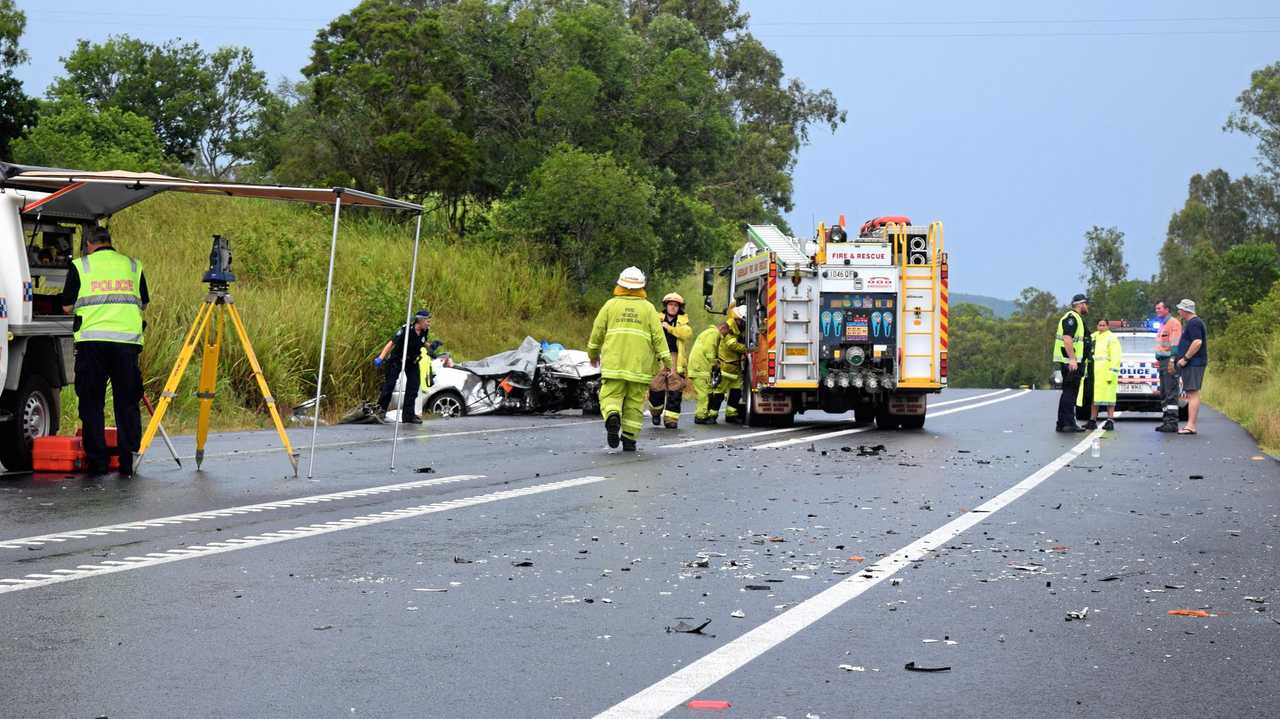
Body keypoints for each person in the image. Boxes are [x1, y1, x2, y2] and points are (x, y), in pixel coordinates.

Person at [59, 226, 148, 477]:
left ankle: (97, 462)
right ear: (110, 242)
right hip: (126, 344)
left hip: (92, 344)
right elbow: (144, 302)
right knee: (127, 402)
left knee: (92, 402)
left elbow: (66, 307)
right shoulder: (132, 265)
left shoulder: (80, 266)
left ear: (88, 244)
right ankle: (127, 462)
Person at [587, 267, 672, 451]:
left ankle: (612, 415)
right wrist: (667, 362)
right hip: (639, 367)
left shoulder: (610, 305)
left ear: (620, 284)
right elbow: (659, 337)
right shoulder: (648, 308)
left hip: (614, 364)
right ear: (642, 286)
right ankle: (629, 439)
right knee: (634, 403)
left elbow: (597, 331)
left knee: (610, 396)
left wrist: (593, 354)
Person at [375, 309, 432, 424]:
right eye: (427, 321)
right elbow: (391, 343)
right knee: (389, 385)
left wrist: (431, 347)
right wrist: (381, 357)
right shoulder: (406, 330)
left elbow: (422, 342)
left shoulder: (424, 331)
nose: (429, 323)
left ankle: (408, 416)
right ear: (420, 321)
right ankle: (380, 412)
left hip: (412, 361)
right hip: (397, 359)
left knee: (413, 387)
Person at [648, 292, 691, 429]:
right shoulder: (656, 319)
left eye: (676, 305)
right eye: (670, 305)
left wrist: (670, 328)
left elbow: (686, 334)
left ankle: (671, 420)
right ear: (666, 306)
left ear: (680, 308)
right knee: (656, 387)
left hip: (675, 358)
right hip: (659, 357)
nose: (673, 307)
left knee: (675, 389)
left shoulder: (683, 322)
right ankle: (655, 413)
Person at [1053, 294, 1089, 432]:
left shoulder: (1076, 318)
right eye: (1086, 304)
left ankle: (1062, 423)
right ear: (1081, 304)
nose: (1087, 307)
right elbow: (1067, 339)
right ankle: (1068, 423)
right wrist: (1073, 359)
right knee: (1070, 393)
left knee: (1068, 392)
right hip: (1071, 362)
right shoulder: (1071, 318)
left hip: (1071, 361)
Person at [1173, 299, 1207, 435]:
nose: (1179, 311)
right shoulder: (1192, 323)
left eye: (1180, 309)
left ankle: (1191, 425)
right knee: (1190, 392)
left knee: (1192, 393)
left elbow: (1197, 342)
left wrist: (1185, 358)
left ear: (1186, 310)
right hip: (1193, 363)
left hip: (1194, 363)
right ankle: (1190, 425)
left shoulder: (1194, 323)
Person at [1079, 319, 1121, 430]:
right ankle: (1092, 420)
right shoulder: (1094, 336)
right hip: (1094, 372)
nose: (1101, 327)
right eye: (1099, 325)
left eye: (1103, 325)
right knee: (1095, 397)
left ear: (1107, 326)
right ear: (1097, 326)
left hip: (1107, 372)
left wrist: (1112, 372)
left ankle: (1110, 420)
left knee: (1109, 398)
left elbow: (1116, 356)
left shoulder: (1112, 338)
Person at [1153, 300, 1183, 432]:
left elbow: (1175, 345)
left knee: (1171, 392)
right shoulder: (1162, 324)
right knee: (1164, 393)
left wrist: (1171, 360)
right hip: (1162, 362)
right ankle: (1166, 421)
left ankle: (1172, 422)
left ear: (1166, 309)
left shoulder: (1174, 323)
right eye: (1156, 308)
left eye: (1159, 308)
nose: (1157, 310)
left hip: (1170, 361)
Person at [717, 305, 749, 423]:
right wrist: (748, 348)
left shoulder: (737, 327)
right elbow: (732, 344)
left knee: (736, 392)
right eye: (743, 321)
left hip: (734, 366)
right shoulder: (728, 327)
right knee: (719, 392)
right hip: (726, 365)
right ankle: (711, 414)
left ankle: (731, 414)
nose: (744, 324)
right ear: (738, 319)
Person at [687, 324, 723, 424]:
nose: (722, 338)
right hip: (700, 368)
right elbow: (710, 352)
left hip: (698, 367)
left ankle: (703, 414)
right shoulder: (714, 334)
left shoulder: (709, 332)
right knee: (704, 394)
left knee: (705, 392)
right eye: (723, 335)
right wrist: (715, 363)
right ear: (723, 329)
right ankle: (700, 417)